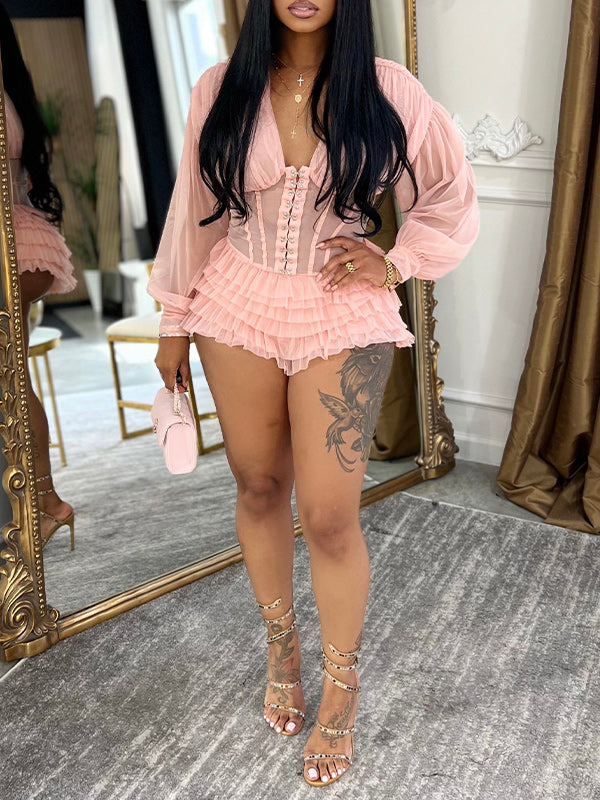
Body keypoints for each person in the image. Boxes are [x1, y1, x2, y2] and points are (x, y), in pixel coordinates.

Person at [149, 0, 479, 787]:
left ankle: (341, 686)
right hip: (235, 299)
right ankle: (281, 650)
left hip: (343, 309)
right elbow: (193, 213)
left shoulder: (388, 89)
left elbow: (450, 195)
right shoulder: (221, 87)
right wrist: (172, 320)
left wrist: (394, 262)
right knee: (259, 484)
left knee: (329, 515)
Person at [1, 4, 76, 548]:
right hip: (22, 240)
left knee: (9, 381)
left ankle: (43, 504)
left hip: (12, 243)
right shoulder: (10, 91)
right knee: (13, 379)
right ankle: (45, 503)